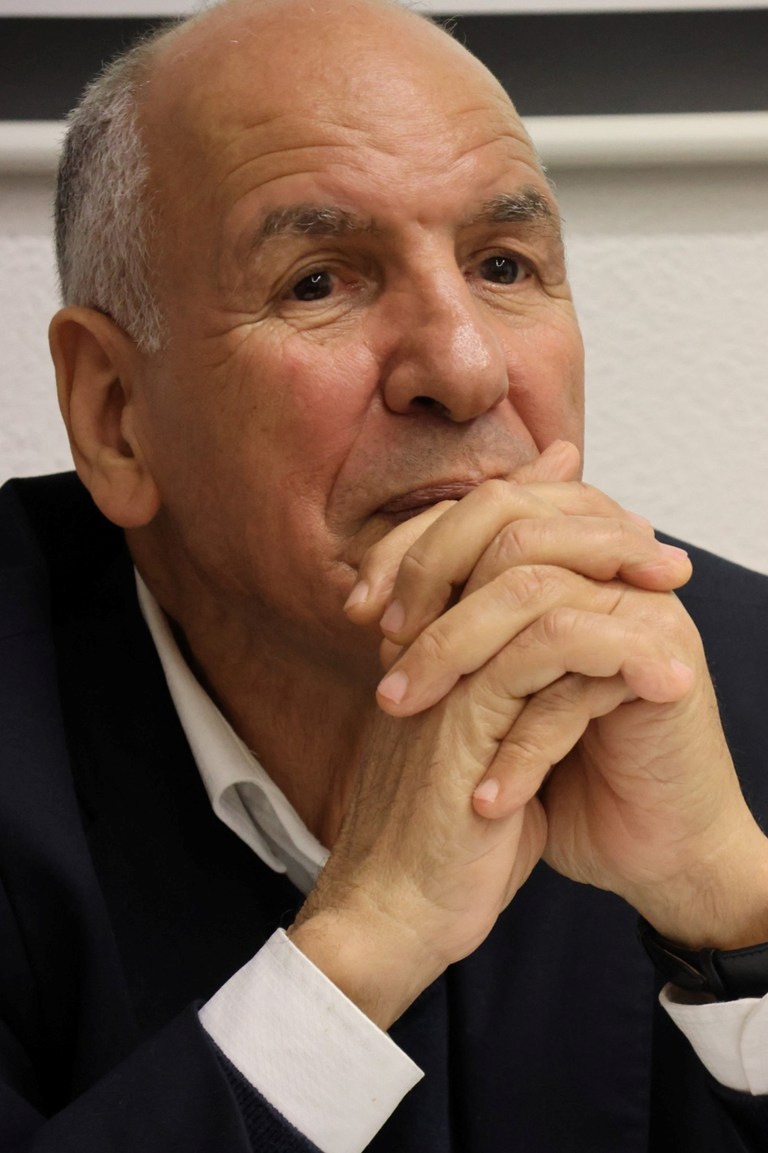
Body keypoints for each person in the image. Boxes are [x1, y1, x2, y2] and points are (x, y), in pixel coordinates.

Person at [2, 0, 768, 1148]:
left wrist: (736, 915)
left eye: (503, 265)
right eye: (319, 281)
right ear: (116, 414)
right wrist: (366, 943)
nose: (463, 368)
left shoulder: (736, 680)